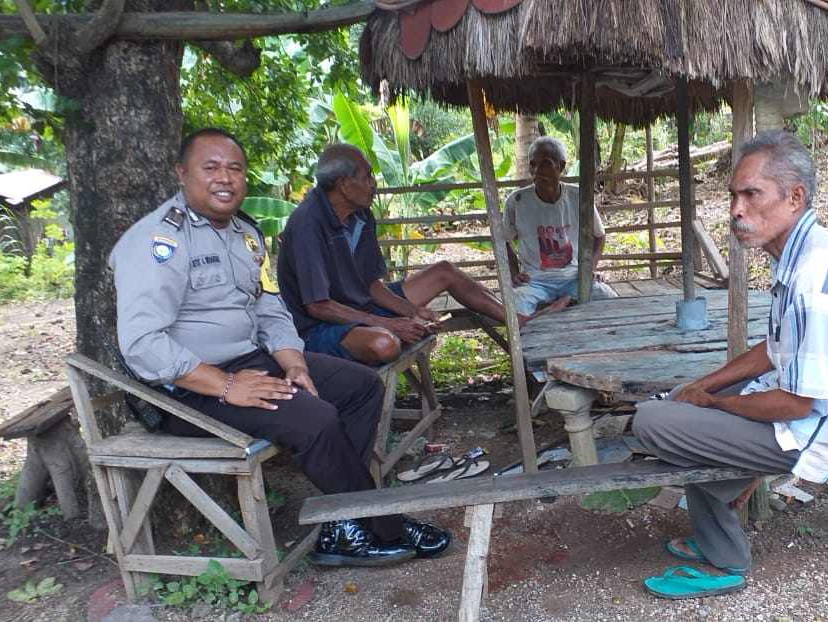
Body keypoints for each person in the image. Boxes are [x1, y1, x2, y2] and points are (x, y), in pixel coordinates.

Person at [110, 128, 451, 567]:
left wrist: (293, 361)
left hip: (251, 362)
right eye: (210, 168)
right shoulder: (158, 241)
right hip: (188, 389)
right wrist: (225, 384)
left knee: (361, 387)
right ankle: (378, 520)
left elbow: (270, 308)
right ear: (181, 173)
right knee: (317, 418)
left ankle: (341, 522)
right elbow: (141, 344)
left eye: (235, 168)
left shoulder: (244, 234)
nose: (225, 179)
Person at [632, 130, 828, 597]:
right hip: (815, 408)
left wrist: (713, 404)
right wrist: (703, 385)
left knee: (653, 421)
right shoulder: (798, 256)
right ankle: (720, 527)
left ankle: (725, 561)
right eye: (734, 194)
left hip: (827, 429)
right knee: (679, 406)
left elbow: (795, 405)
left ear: (795, 198)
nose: (736, 209)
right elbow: (773, 349)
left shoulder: (813, 283)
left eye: (752, 194)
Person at [278, 143, 567, 365]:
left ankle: (519, 320)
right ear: (343, 184)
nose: (374, 183)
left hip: (361, 307)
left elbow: (371, 286)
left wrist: (412, 312)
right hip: (320, 327)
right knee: (385, 344)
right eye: (367, 177)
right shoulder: (308, 224)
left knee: (444, 271)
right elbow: (319, 307)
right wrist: (391, 324)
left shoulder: (361, 215)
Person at [501, 135, 617, 315]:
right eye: (533, 164)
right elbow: (504, 240)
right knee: (514, 305)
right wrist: (514, 273)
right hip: (534, 281)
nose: (537, 170)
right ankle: (530, 343)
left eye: (545, 164)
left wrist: (590, 269)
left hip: (573, 278)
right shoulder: (517, 201)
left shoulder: (578, 197)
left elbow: (599, 236)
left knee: (609, 298)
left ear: (561, 166)